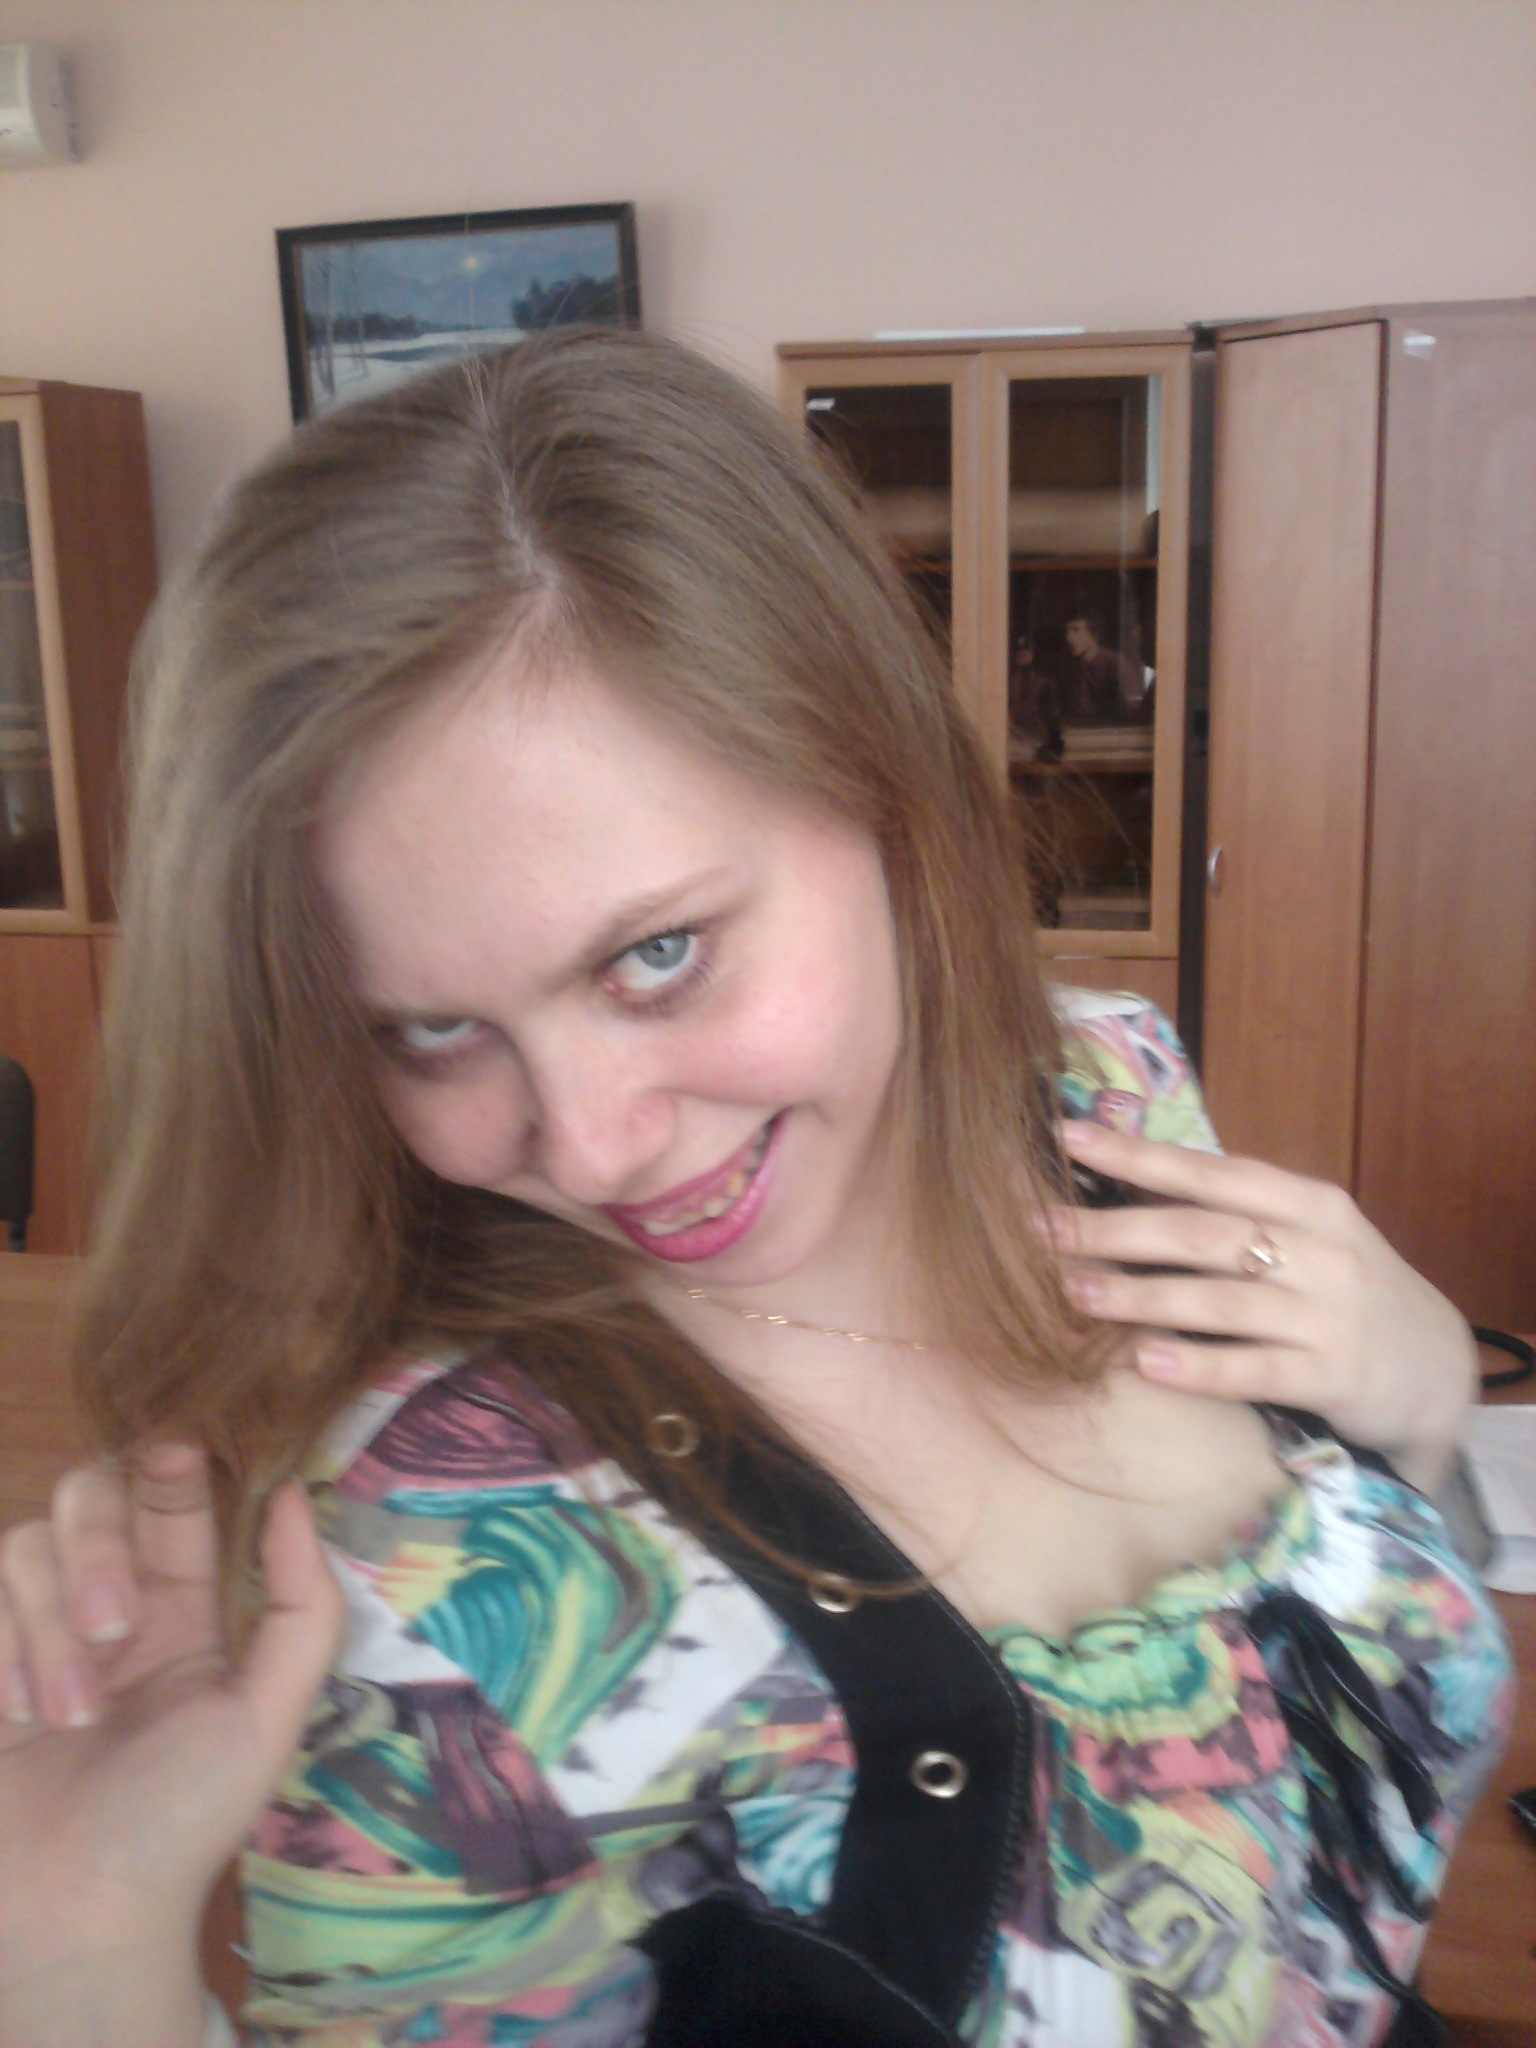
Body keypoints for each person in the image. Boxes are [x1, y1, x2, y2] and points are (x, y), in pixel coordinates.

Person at [0, 330, 1508, 2048]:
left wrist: (1423, 1418)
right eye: (429, 1029)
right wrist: (72, 1977)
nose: (589, 1146)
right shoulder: (452, 1569)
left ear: (889, 795)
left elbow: (1371, 1685)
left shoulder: (1098, 1086)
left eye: (657, 953)